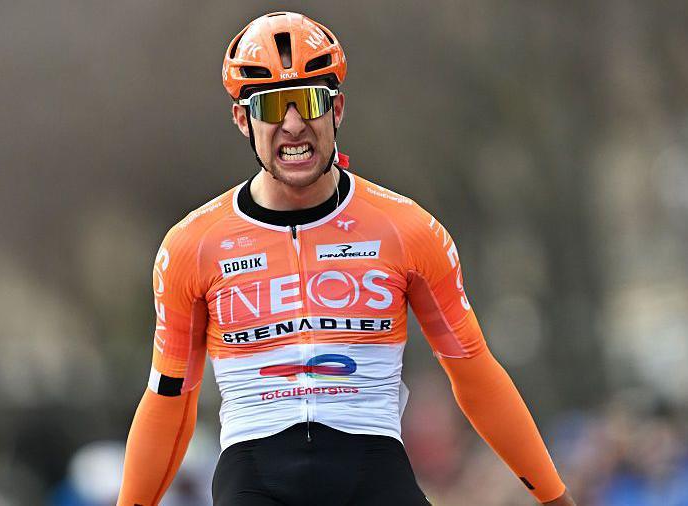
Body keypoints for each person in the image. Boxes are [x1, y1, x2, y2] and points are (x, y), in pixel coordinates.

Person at [118, 11, 576, 506]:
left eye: (309, 101)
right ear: (242, 120)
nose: (293, 125)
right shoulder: (192, 245)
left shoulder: (407, 230)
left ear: (336, 109)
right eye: (272, 108)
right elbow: (170, 400)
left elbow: (473, 371)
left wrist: (553, 498)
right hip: (255, 478)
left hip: (373, 468)